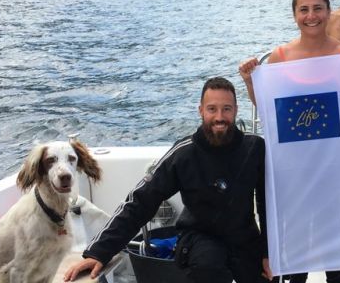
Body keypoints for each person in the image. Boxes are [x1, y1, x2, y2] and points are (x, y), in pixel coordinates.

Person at [63, 77, 271, 283]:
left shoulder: (253, 148)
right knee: (209, 264)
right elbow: (141, 201)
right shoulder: (184, 154)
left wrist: (269, 252)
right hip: (200, 237)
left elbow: (269, 205)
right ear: (201, 111)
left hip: (243, 237)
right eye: (212, 109)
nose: (219, 117)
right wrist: (99, 251)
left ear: (235, 110)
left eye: (226, 109)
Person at [239, 0, 340, 283]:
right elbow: (267, 109)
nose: (311, 16)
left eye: (317, 8)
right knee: (297, 234)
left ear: (329, 11)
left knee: (334, 232)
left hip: (334, 164)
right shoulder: (280, 57)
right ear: (294, 15)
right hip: (294, 167)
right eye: (304, 10)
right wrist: (251, 81)